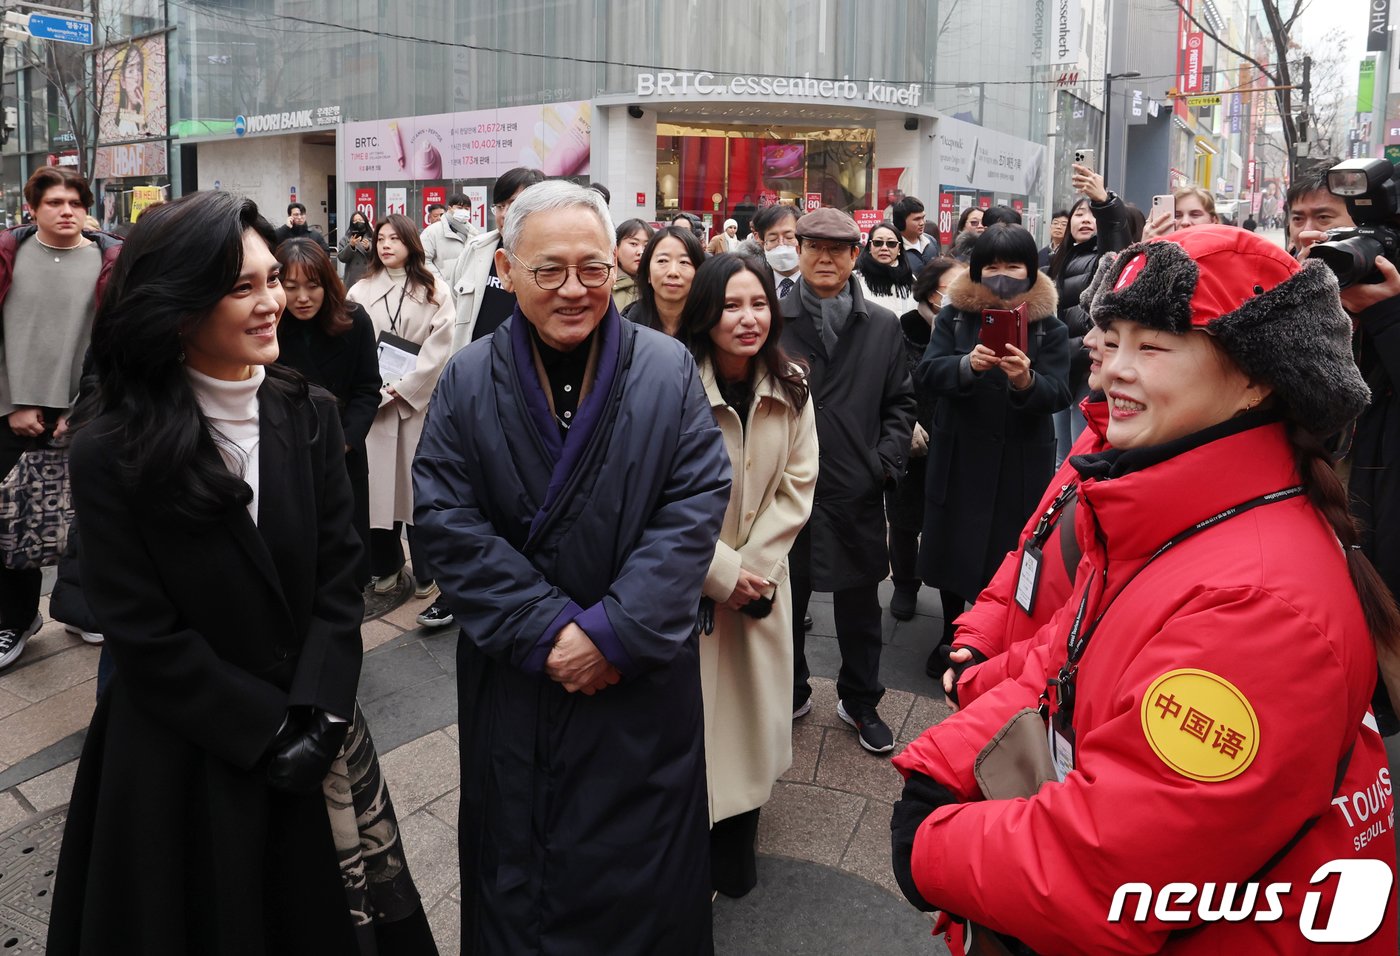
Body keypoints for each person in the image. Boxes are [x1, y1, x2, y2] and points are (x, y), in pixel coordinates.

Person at [892, 225, 1399, 956]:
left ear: (1257, 377)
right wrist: (947, 761)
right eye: (1113, 340)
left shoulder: (1257, 603)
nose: (1109, 373)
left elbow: (1116, 868)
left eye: (1152, 348)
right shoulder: (1170, 513)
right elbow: (1067, 657)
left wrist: (931, 847)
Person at [49, 190, 436, 955]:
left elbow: (338, 577)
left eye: (270, 281)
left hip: (314, 730)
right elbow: (142, 630)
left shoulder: (310, 412)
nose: (271, 304)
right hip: (178, 753)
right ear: (177, 304)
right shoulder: (110, 445)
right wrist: (262, 733)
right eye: (243, 288)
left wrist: (323, 712)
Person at [412, 180, 731, 954]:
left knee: (644, 891)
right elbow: (446, 521)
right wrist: (551, 632)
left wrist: (612, 635)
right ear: (507, 270)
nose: (574, 290)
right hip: (521, 678)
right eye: (548, 270)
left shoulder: (665, 369)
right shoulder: (465, 377)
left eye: (593, 270)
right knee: (520, 881)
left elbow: (695, 504)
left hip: (636, 682)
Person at [680, 252, 817, 900]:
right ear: (707, 313)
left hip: (760, 589)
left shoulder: (791, 385)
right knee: (689, 734)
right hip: (685, 586)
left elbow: (798, 486)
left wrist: (751, 574)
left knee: (747, 731)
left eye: (758, 303)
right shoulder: (671, 383)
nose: (747, 318)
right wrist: (718, 573)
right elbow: (656, 496)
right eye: (732, 305)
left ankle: (733, 861)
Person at [782, 207, 916, 754]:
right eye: (813, 246)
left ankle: (860, 700)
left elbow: (901, 402)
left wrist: (882, 462)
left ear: (855, 256)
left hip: (856, 488)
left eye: (837, 249)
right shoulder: (772, 316)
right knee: (783, 603)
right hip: (786, 491)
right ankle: (787, 690)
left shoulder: (882, 325)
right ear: (798, 250)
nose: (825, 257)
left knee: (861, 607)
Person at [918, 224, 1070, 659]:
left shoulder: (1049, 327)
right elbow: (928, 375)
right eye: (993, 266)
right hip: (961, 451)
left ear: (1031, 270)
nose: (1002, 275)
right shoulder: (955, 315)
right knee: (954, 546)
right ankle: (950, 633)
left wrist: (1026, 380)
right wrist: (966, 366)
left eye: (1013, 266)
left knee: (1008, 550)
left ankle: (992, 634)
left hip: (1018, 456)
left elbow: (1059, 392)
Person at [941, 323, 1107, 705]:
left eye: (1137, 342)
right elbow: (1029, 553)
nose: (1090, 341)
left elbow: (1076, 632)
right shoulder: (1098, 432)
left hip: (1047, 698)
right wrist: (979, 641)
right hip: (1022, 683)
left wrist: (1025, 380)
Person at [0, 166, 122, 666]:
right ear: (33, 207)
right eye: (54, 202)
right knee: (10, 520)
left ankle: (82, 609)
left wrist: (86, 409)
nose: (67, 210)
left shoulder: (107, 260)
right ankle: (14, 618)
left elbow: (112, 345)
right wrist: (12, 404)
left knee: (89, 520)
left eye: (75, 201)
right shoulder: (8, 256)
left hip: (85, 412)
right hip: (11, 410)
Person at [347, 215, 454, 625]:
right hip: (371, 407)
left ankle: (428, 574)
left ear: (412, 241)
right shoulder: (360, 288)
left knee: (415, 490)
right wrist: (370, 392)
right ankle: (385, 567)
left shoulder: (434, 288)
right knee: (376, 491)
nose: (386, 244)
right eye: (380, 238)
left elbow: (440, 348)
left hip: (413, 406)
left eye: (394, 238)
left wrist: (403, 389)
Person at [274, 237, 381, 590]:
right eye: (291, 287)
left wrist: (346, 441)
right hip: (285, 451)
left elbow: (368, 389)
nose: (302, 298)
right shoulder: (268, 328)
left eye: (312, 285)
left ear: (328, 283)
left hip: (341, 451)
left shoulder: (355, 321)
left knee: (344, 553)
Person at [887, 258, 964, 622]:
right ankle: (904, 583)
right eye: (950, 287)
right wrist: (906, 424)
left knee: (948, 517)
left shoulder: (967, 329)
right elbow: (891, 381)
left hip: (953, 438)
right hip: (912, 434)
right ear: (931, 290)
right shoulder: (903, 328)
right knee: (904, 517)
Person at [1048, 165, 1131, 459]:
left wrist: (1103, 203)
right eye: (1079, 214)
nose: (1085, 220)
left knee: (1080, 454)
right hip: (1061, 367)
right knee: (1059, 454)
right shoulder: (1062, 258)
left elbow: (1115, 241)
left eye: (1091, 215)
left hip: (1087, 365)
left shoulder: (1103, 256)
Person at [447, 166, 546, 350]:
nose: (505, 214)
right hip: (475, 367)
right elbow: (456, 302)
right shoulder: (475, 249)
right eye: (500, 206)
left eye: (514, 205)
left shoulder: (552, 258)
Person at [626, 224, 705, 336]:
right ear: (648, 272)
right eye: (662, 261)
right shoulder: (626, 329)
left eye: (684, 262)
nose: (673, 272)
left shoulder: (713, 328)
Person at [855, 221, 916, 315]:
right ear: (870, 247)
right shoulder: (856, 279)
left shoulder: (910, 279)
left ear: (899, 249)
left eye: (891, 243)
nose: (884, 248)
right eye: (878, 243)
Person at [1286, 170, 1350, 255]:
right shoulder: (1281, 266)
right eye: (1298, 219)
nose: (1307, 231)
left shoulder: (1372, 264)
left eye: (1323, 217)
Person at [421, 192, 478, 285]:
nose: (463, 211)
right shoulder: (432, 231)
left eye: (466, 209)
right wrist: (440, 284)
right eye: (459, 208)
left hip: (466, 291)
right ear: (450, 208)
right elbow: (423, 260)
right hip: (441, 293)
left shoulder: (473, 233)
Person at [755, 203, 802, 298]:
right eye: (772, 239)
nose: (781, 244)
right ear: (763, 244)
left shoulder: (819, 286)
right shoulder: (755, 285)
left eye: (789, 237)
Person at [1143, 184, 1220, 239]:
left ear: (1213, 220)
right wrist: (1145, 246)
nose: (1185, 222)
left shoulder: (1225, 254)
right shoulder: (1157, 250)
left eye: (1195, 214)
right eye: (1177, 215)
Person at [611, 217, 653, 311]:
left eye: (646, 246)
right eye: (634, 244)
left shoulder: (657, 287)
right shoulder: (605, 285)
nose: (641, 252)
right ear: (616, 248)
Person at [894, 197, 938, 274]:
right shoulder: (892, 246)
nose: (922, 223)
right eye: (917, 219)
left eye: (923, 217)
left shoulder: (931, 241)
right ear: (901, 222)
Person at [337, 210, 374, 288]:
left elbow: (378, 256)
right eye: (355, 221)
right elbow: (341, 257)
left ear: (365, 221)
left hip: (369, 276)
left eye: (360, 220)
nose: (358, 222)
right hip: (352, 278)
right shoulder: (345, 239)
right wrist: (351, 246)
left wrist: (368, 248)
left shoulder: (373, 238)